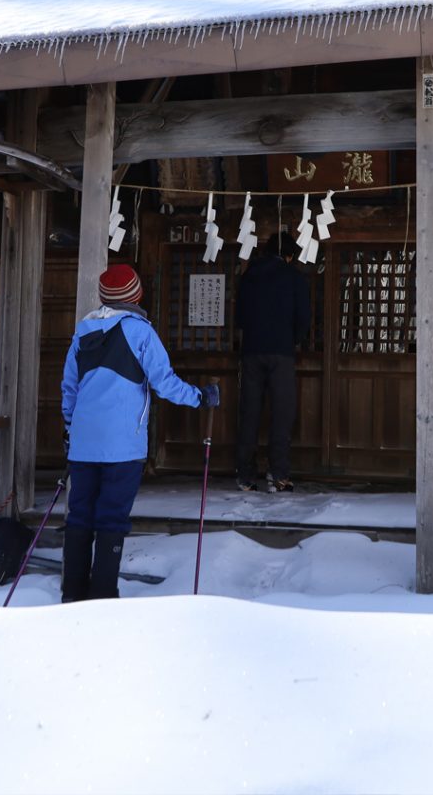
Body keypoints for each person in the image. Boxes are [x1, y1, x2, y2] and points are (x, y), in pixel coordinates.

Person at [60, 263, 219, 601]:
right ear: (135, 295)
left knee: (80, 516)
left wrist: (70, 427)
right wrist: (200, 397)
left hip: (83, 444)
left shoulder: (83, 331)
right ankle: (102, 595)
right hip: (123, 446)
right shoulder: (141, 331)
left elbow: (69, 387)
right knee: (112, 518)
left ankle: (71, 594)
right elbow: (164, 383)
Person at [234, 231, 310, 493]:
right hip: (281, 351)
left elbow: (240, 316)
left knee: (250, 412)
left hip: (252, 350)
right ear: (289, 255)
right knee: (282, 413)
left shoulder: (248, 276)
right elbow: (304, 318)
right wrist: (294, 339)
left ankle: (245, 474)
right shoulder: (294, 277)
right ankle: (278, 474)